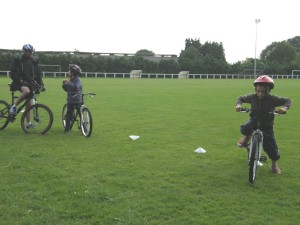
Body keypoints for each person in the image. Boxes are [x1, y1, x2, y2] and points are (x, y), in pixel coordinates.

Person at [235, 75, 292, 175]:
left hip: (267, 125)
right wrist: (238, 104)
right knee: (244, 128)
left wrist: (284, 108)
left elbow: (288, 100)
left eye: (263, 91)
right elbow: (240, 98)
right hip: (254, 121)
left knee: (271, 147)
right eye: (258, 91)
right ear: (255, 90)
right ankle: (247, 138)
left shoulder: (273, 99)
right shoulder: (252, 97)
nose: (260, 94)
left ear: (268, 90)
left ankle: (274, 164)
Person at [9, 44, 45, 128]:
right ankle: (13, 107)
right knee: (26, 91)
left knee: (29, 104)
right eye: (29, 52)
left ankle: (28, 123)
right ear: (25, 51)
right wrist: (20, 80)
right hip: (18, 82)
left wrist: (41, 84)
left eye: (32, 52)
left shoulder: (34, 61)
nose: (31, 53)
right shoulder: (18, 60)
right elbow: (12, 73)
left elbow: (39, 73)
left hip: (29, 83)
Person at [62, 64, 83, 133]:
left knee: (71, 114)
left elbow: (75, 88)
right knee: (71, 113)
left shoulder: (77, 80)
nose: (68, 72)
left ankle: (68, 129)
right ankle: (68, 128)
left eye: (69, 71)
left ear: (72, 72)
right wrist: (64, 85)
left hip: (75, 100)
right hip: (73, 99)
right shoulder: (71, 79)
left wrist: (68, 83)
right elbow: (66, 89)